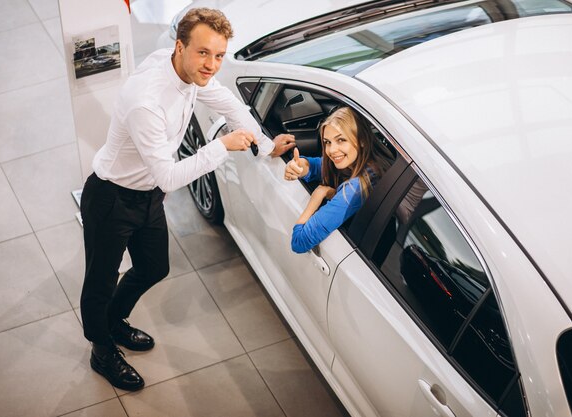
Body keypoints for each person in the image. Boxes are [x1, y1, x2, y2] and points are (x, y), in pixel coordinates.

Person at [80, 8, 295, 391]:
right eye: (203, 53)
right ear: (180, 47)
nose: (211, 65)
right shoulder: (147, 100)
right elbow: (170, 175)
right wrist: (221, 146)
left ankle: (114, 321)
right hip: (111, 198)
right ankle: (101, 349)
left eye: (219, 55)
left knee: (154, 267)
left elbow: (227, 103)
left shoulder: (186, 70)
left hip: (147, 196)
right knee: (100, 280)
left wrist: (263, 146)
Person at [284, 107, 383, 253]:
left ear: (361, 140)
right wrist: (300, 166)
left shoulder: (354, 190)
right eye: (327, 142)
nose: (331, 150)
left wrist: (316, 199)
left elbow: (299, 242)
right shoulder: (367, 163)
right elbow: (319, 165)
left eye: (341, 140)